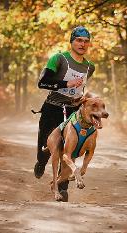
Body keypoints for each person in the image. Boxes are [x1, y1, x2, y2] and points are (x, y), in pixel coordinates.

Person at [34, 26, 95, 201]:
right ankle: (41, 161)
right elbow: (42, 83)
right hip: (52, 107)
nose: (82, 44)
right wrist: (66, 84)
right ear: (72, 42)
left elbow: (80, 87)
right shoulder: (59, 59)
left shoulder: (90, 66)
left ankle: (62, 186)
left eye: (86, 41)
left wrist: (81, 99)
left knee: (70, 149)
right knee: (45, 146)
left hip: (73, 111)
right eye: (79, 40)